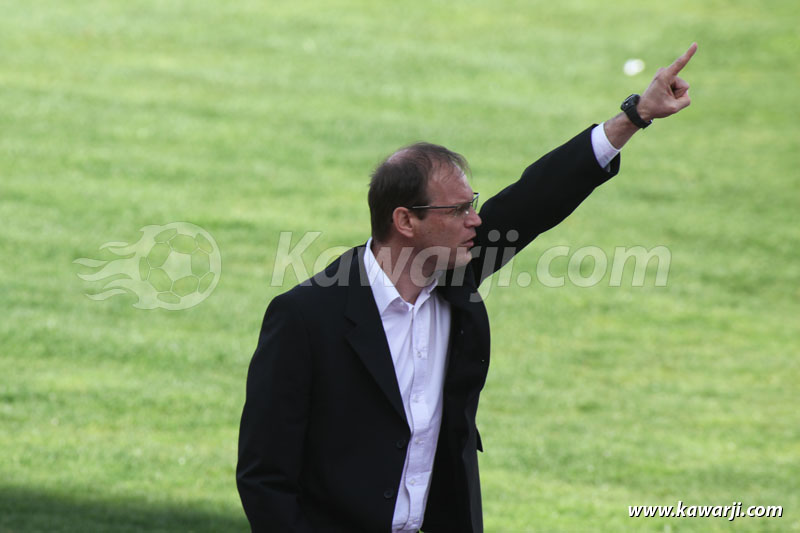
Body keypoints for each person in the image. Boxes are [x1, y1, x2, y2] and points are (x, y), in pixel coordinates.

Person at [237, 44, 697, 532]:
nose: (476, 220)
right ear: (405, 221)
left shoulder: (457, 271)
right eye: (458, 210)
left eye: (472, 204)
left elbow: (534, 200)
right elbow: (265, 476)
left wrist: (635, 115)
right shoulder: (307, 316)